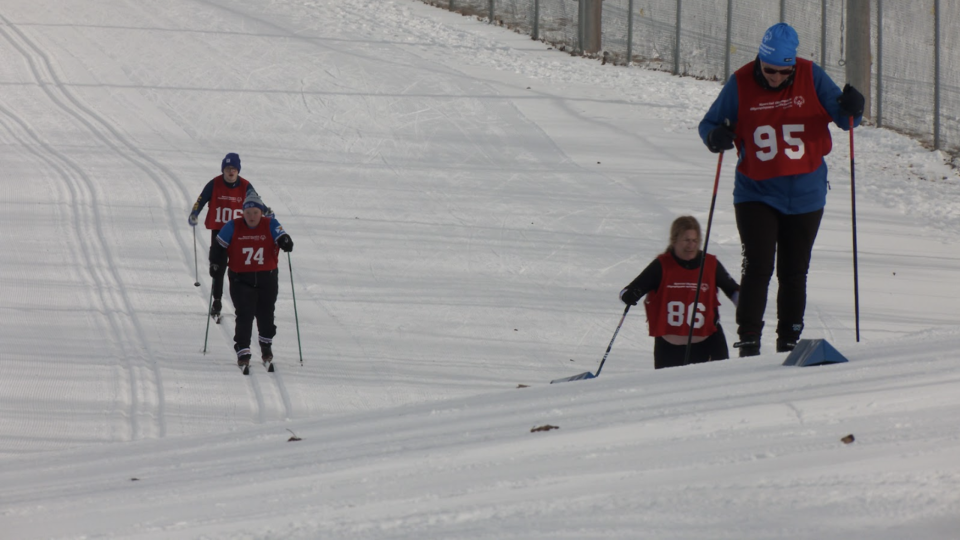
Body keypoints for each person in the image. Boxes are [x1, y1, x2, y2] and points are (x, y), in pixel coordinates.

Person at [698, 22, 865, 356]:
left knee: (794, 271)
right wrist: (716, 137)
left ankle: (789, 339)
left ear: (793, 65)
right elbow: (709, 124)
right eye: (768, 69)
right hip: (756, 192)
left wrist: (854, 107)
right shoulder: (742, 81)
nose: (773, 77)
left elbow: (845, 119)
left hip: (805, 193)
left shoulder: (811, 76)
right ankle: (748, 339)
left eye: (781, 72)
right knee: (758, 266)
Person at [620, 216, 740, 370]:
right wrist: (631, 294)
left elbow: (733, 290)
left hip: (708, 344)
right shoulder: (662, 265)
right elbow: (626, 292)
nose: (691, 245)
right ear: (674, 240)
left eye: (695, 241)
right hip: (670, 348)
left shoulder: (709, 264)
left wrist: (748, 305)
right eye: (686, 240)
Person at [209, 193, 293, 369]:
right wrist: (216, 264)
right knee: (244, 314)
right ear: (243, 213)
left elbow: (282, 236)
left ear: (261, 212)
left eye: (255, 212)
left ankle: (266, 345)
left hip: (267, 278)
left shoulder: (270, 224)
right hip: (241, 279)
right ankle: (243, 351)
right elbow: (218, 247)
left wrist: (285, 241)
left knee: (266, 314)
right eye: (248, 213)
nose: (252, 217)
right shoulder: (233, 226)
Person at [187, 153, 271, 320]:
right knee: (218, 267)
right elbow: (201, 199)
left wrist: (267, 211)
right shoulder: (215, 183)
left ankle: (242, 303)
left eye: (233, 169)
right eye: (227, 169)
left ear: (238, 170)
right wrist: (195, 213)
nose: (230, 172)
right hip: (219, 231)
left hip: (239, 232)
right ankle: (217, 301)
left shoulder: (246, 185)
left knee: (238, 269)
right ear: (223, 170)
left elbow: (257, 201)